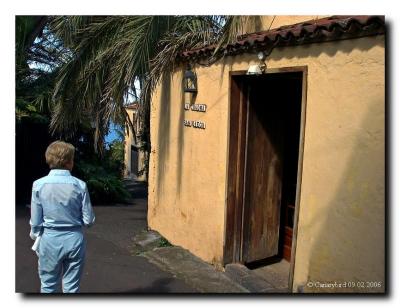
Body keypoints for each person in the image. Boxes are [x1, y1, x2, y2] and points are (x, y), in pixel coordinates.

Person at [30, 140, 95, 293]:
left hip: (49, 239)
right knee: (71, 288)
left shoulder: (38, 185)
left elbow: (36, 222)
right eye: (72, 159)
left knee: (48, 286)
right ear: (68, 162)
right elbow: (89, 220)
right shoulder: (80, 185)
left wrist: (35, 235)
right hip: (74, 239)